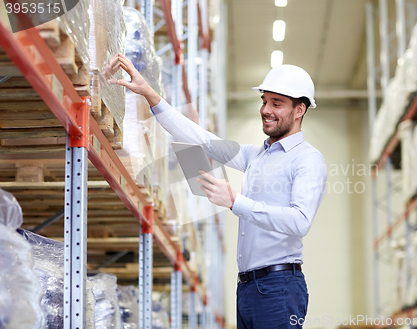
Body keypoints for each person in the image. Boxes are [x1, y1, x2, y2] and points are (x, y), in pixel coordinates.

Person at [113, 53, 327, 328]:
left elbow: (300, 221)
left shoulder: (308, 159)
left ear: (300, 110)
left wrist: (236, 201)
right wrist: (150, 94)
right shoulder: (256, 155)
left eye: (277, 103)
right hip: (249, 288)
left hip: (279, 287)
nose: (265, 109)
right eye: (264, 101)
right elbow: (203, 141)